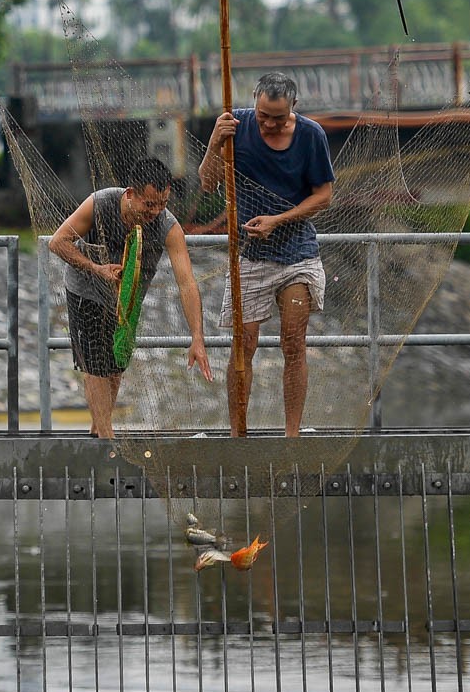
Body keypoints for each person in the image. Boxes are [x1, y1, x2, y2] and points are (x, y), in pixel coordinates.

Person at [197, 72, 335, 437]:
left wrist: (279, 219)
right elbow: (208, 183)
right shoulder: (235, 126)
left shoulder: (311, 135)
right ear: (254, 103)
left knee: (293, 340)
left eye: (279, 116)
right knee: (244, 344)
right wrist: (215, 141)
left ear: (294, 108)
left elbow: (323, 195)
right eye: (263, 116)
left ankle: (292, 435)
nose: (270, 124)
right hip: (250, 255)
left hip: (297, 255)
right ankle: (237, 434)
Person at [49, 156, 213, 438]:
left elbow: (186, 282)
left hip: (126, 300)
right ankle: (108, 440)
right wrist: (95, 268)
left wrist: (197, 337)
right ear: (130, 194)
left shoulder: (167, 226)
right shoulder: (100, 203)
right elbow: (58, 242)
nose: (155, 211)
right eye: (149, 204)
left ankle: (97, 430)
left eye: (162, 203)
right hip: (85, 289)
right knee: (96, 366)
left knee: (114, 367)